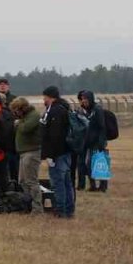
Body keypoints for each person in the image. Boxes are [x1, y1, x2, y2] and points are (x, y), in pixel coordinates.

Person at [40, 86, 74, 218]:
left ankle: (61, 210)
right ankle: (69, 209)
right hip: (66, 152)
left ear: (50, 97)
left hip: (57, 154)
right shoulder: (64, 108)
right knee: (66, 182)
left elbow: (54, 135)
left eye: (45, 97)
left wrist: (50, 155)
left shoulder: (55, 111)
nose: (43, 100)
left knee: (58, 183)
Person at [12, 97, 41, 212]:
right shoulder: (24, 118)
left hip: (32, 152)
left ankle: (37, 207)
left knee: (31, 181)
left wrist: (19, 122)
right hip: (23, 152)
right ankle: (28, 205)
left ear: (22, 108)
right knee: (22, 181)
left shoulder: (34, 116)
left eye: (16, 110)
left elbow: (26, 129)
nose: (15, 113)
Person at [79, 90, 109, 193]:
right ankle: (93, 185)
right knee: (89, 164)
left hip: (98, 142)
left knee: (100, 163)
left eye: (85, 99)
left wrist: (100, 141)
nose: (84, 101)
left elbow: (101, 126)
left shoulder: (97, 109)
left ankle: (103, 186)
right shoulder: (88, 110)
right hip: (90, 142)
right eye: (82, 99)